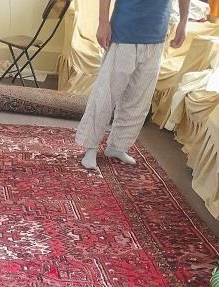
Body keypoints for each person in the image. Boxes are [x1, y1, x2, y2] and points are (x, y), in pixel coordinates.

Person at [76, 0, 190, 170]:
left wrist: (183, 22)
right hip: (123, 32)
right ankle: (90, 147)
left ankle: (117, 146)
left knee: (139, 100)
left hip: (157, 35)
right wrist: (103, 22)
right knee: (105, 95)